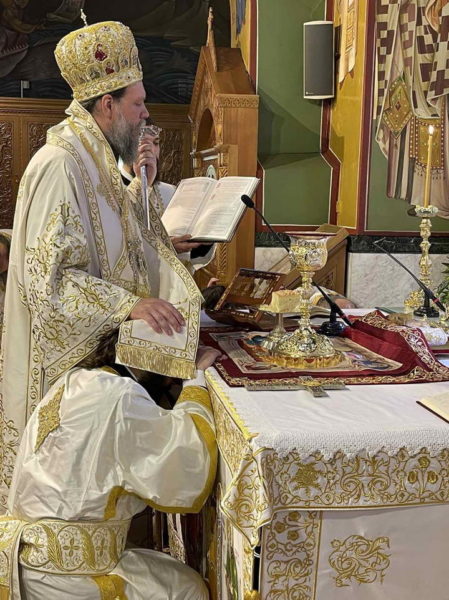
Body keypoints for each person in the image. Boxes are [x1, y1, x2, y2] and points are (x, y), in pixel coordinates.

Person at [0, 20, 203, 511]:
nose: (146, 113)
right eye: (138, 103)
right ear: (107, 105)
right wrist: (127, 305)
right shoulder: (60, 164)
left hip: (100, 371)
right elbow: (48, 281)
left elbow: (119, 237)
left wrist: (145, 192)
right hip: (64, 380)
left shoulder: (96, 160)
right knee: (67, 505)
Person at [0, 331, 221, 599]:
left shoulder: (74, 380)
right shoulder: (120, 395)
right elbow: (185, 462)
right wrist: (195, 380)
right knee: (188, 589)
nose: (170, 383)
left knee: (171, 574)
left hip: (31, 561)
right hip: (70, 580)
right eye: (168, 377)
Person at [120, 120, 216, 269]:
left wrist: (204, 238)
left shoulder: (170, 192)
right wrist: (166, 247)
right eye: (142, 144)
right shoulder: (112, 192)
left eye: (155, 143)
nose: (150, 151)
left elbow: (192, 256)